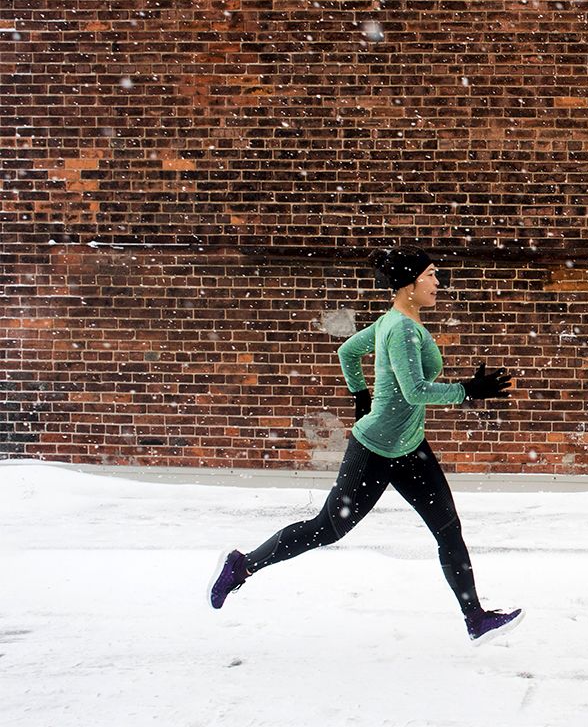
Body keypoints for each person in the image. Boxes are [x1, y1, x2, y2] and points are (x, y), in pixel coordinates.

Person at [207, 247, 523, 643]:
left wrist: (360, 395)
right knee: (327, 528)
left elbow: (347, 351)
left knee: (448, 528)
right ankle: (242, 566)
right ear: (409, 284)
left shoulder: (394, 320)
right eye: (431, 275)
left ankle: (475, 618)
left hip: (409, 447)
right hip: (373, 450)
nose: (438, 283)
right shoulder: (402, 329)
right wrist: (467, 390)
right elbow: (414, 390)